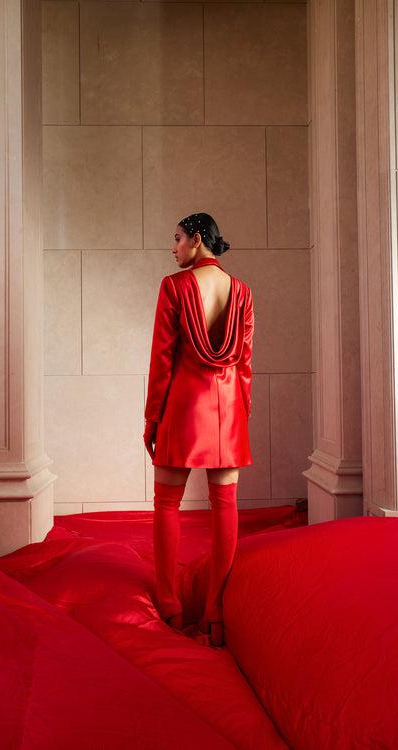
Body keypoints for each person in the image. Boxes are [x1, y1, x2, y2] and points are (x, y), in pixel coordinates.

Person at [143, 212, 254, 647]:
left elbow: (162, 361)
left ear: (197, 238)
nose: (173, 248)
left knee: (166, 504)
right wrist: (241, 415)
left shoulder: (174, 287)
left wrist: (153, 418)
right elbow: (245, 364)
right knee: (225, 506)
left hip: (184, 407)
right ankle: (216, 614)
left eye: (177, 239)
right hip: (228, 411)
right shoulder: (241, 291)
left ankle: (169, 605)